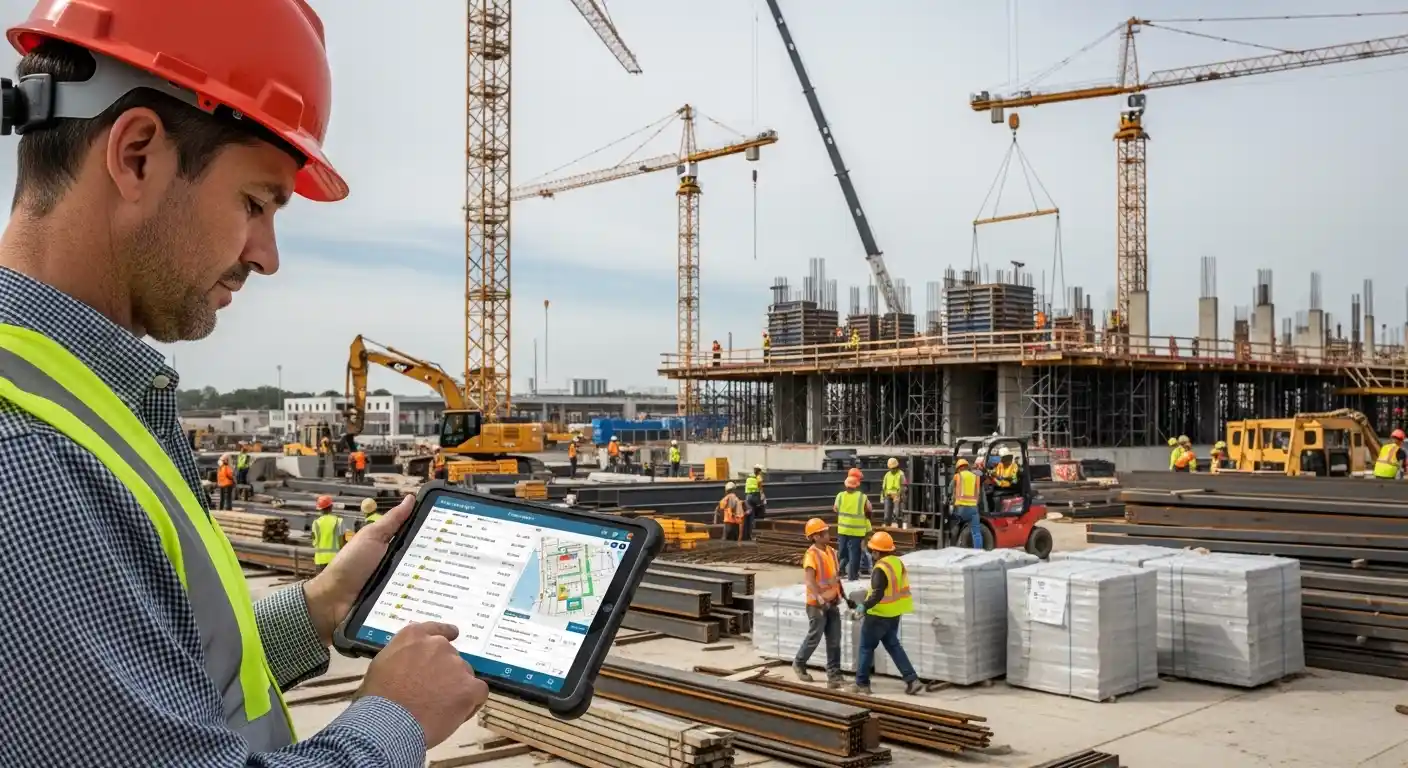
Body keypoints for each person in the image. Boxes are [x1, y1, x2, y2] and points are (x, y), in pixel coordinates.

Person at [0, 3, 487, 762]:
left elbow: (141, 680)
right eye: (255, 203)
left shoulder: (69, 398)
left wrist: (318, 608)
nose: (267, 255)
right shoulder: (31, 455)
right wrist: (397, 719)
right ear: (135, 156)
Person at [849, 532, 923, 696]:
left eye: (872, 551)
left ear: (876, 552)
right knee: (893, 646)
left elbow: (877, 594)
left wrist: (863, 607)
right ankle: (912, 680)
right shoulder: (898, 563)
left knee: (866, 648)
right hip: (894, 614)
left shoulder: (880, 568)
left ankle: (862, 683)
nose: (871, 554)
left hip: (878, 614)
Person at [793, 519, 845, 688]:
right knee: (814, 636)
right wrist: (821, 599)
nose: (829, 535)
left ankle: (834, 674)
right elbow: (810, 581)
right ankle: (799, 663)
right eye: (825, 532)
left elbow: (835, 578)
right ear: (815, 536)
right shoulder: (811, 555)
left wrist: (842, 594)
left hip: (833, 602)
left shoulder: (831, 552)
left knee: (835, 640)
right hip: (817, 605)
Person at [834, 474, 873, 581]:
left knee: (843, 553)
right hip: (857, 531)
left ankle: (839, 571)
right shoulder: (862, 497)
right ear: (856, 486)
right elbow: (869, 509)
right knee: (854, 554)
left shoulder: (840, 496)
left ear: (845, 485)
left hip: (843, 530)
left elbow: (836, 509)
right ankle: (852, 576)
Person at [952, 458, 983, 549]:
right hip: (973, 508)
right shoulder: (976, 477)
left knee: (955, 525)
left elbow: (951, 491)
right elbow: (979, 494)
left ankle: (953, 547)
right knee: (976, 532)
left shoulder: (957, 476)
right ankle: (978, 551)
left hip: (960, 509)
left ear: (959, 468)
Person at [311, 495, 343, 574]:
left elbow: (314, 542)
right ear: (331, 507)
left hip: (320, 559)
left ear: (320, 509)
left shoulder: (315, 523)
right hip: (335, 559)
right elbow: (342, 542)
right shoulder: (338, 521)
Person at [881, 458, 906, 527]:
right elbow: (884, 487)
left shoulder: (901, 474)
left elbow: (903, 486)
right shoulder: (887, 475)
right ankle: (888, 528)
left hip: (897, 495)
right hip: (888, 496)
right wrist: (883, 497)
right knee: (887, 516)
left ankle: (900, 528)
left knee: (897, 514)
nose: (892, 469)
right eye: (891, 468)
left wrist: (900, 496)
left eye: (894, 468)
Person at [744, 464, 767, 539]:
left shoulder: (749, 478)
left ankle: (749, 534)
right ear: (759, 471)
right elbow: (760, 487)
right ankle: (760, 532)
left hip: (748, 497)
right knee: (761, 510)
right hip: (755, 496)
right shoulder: (758, 477)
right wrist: (762, 497)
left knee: (751, 515)